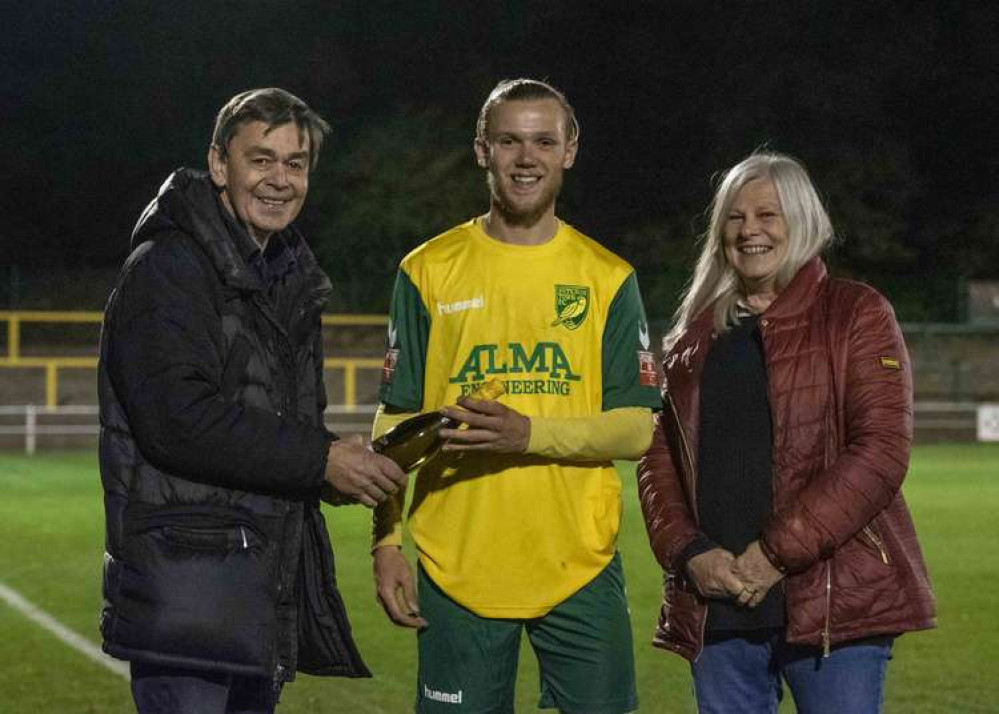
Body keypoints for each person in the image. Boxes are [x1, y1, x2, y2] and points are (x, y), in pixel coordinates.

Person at [98, 87, 408, 713]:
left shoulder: (285, 277)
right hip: (188, 597)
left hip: (250, 594)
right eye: (260, 159)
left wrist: (337, 472)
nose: (279, 180)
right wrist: (320, 458)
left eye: (295, 164)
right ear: (219, 165)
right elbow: (178, 422)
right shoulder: (168, 268)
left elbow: (273, 425)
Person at [371, 78, 661, 713]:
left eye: (542, 141)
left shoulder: (609, 278)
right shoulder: (427, 270)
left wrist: (528, 434)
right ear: (483, 150)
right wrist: (386, 541)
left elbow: (637, 429)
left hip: (577, 566)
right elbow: (396, 420)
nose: (526, 157)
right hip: (457, 565)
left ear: (569, 151)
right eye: (509, 141)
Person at [637, 151, 937, 713]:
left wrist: (771, 556)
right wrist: (689, 552)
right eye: (735, 216)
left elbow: (880, 452)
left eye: (767, 215)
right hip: (717, 602)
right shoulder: (691, 337)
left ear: (801, 220)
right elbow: (658, 458)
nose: (750, 230)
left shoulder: (854, 312)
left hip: (832, 600)